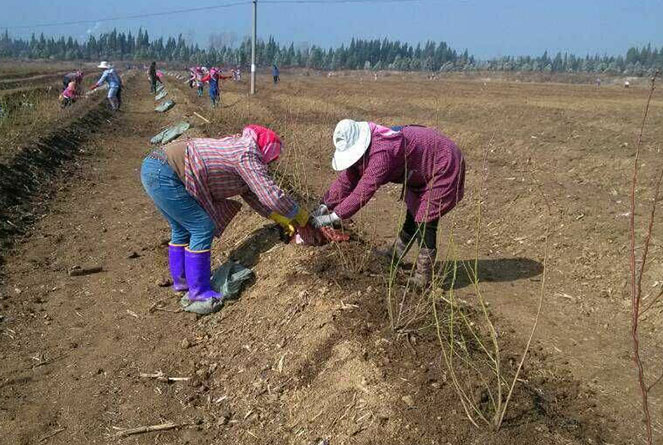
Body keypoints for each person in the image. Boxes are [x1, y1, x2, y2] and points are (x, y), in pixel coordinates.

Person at [140, 125, 310, 314]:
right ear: (266, 152)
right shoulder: (247, 153)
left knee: (182, 229)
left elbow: (255, 197)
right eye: (270, 159)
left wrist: (280, 218)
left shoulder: (239, 148)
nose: (268, 165)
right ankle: (199, 292)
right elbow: (271, 196)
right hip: (166, 172)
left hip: (155, 167)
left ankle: (183, 283)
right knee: (202, 228)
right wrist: (300, 215)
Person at [312, 120, 466, 288]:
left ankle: (423, 276)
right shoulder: (365, 152)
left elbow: (363, 191)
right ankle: (395, 256)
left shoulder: (383, 153)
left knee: (425, 219)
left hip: (443, 164)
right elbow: (347, 180)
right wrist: (325, 205)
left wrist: (334, 216)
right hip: (420, 170)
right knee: (414, 213)